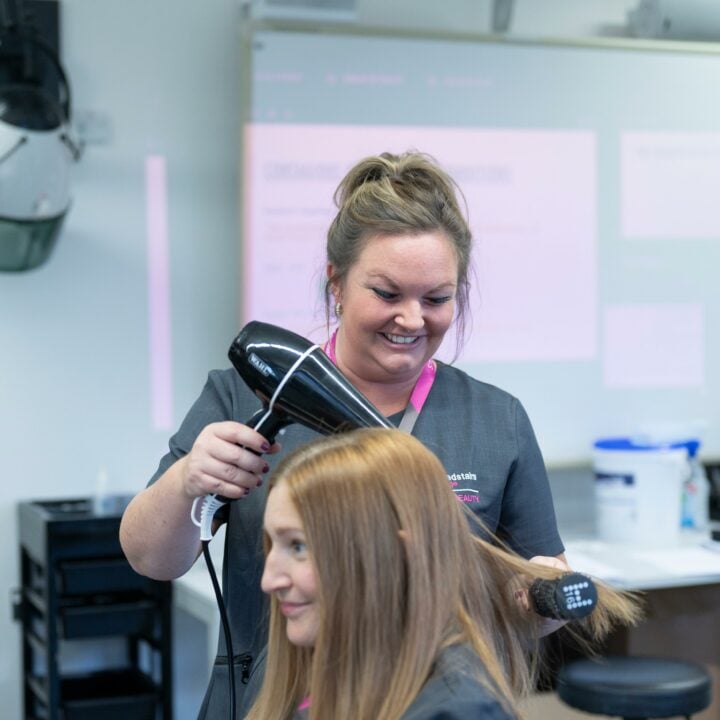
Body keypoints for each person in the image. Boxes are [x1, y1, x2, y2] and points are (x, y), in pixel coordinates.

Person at [120, 151, 568, 718]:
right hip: (266, 700)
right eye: (386, 293)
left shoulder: (495, 419)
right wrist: (188, 482)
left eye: (436, 299)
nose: (412, 319)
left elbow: (535, 600)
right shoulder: (244, 395)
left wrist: (538, 598)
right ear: (336, 282)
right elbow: (149, 558)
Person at [250, 428, 640, 720]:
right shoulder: (311, 679)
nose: (270, 580)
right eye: (274, 545)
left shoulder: (454, 710)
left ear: (398, 553)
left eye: (298, 546)